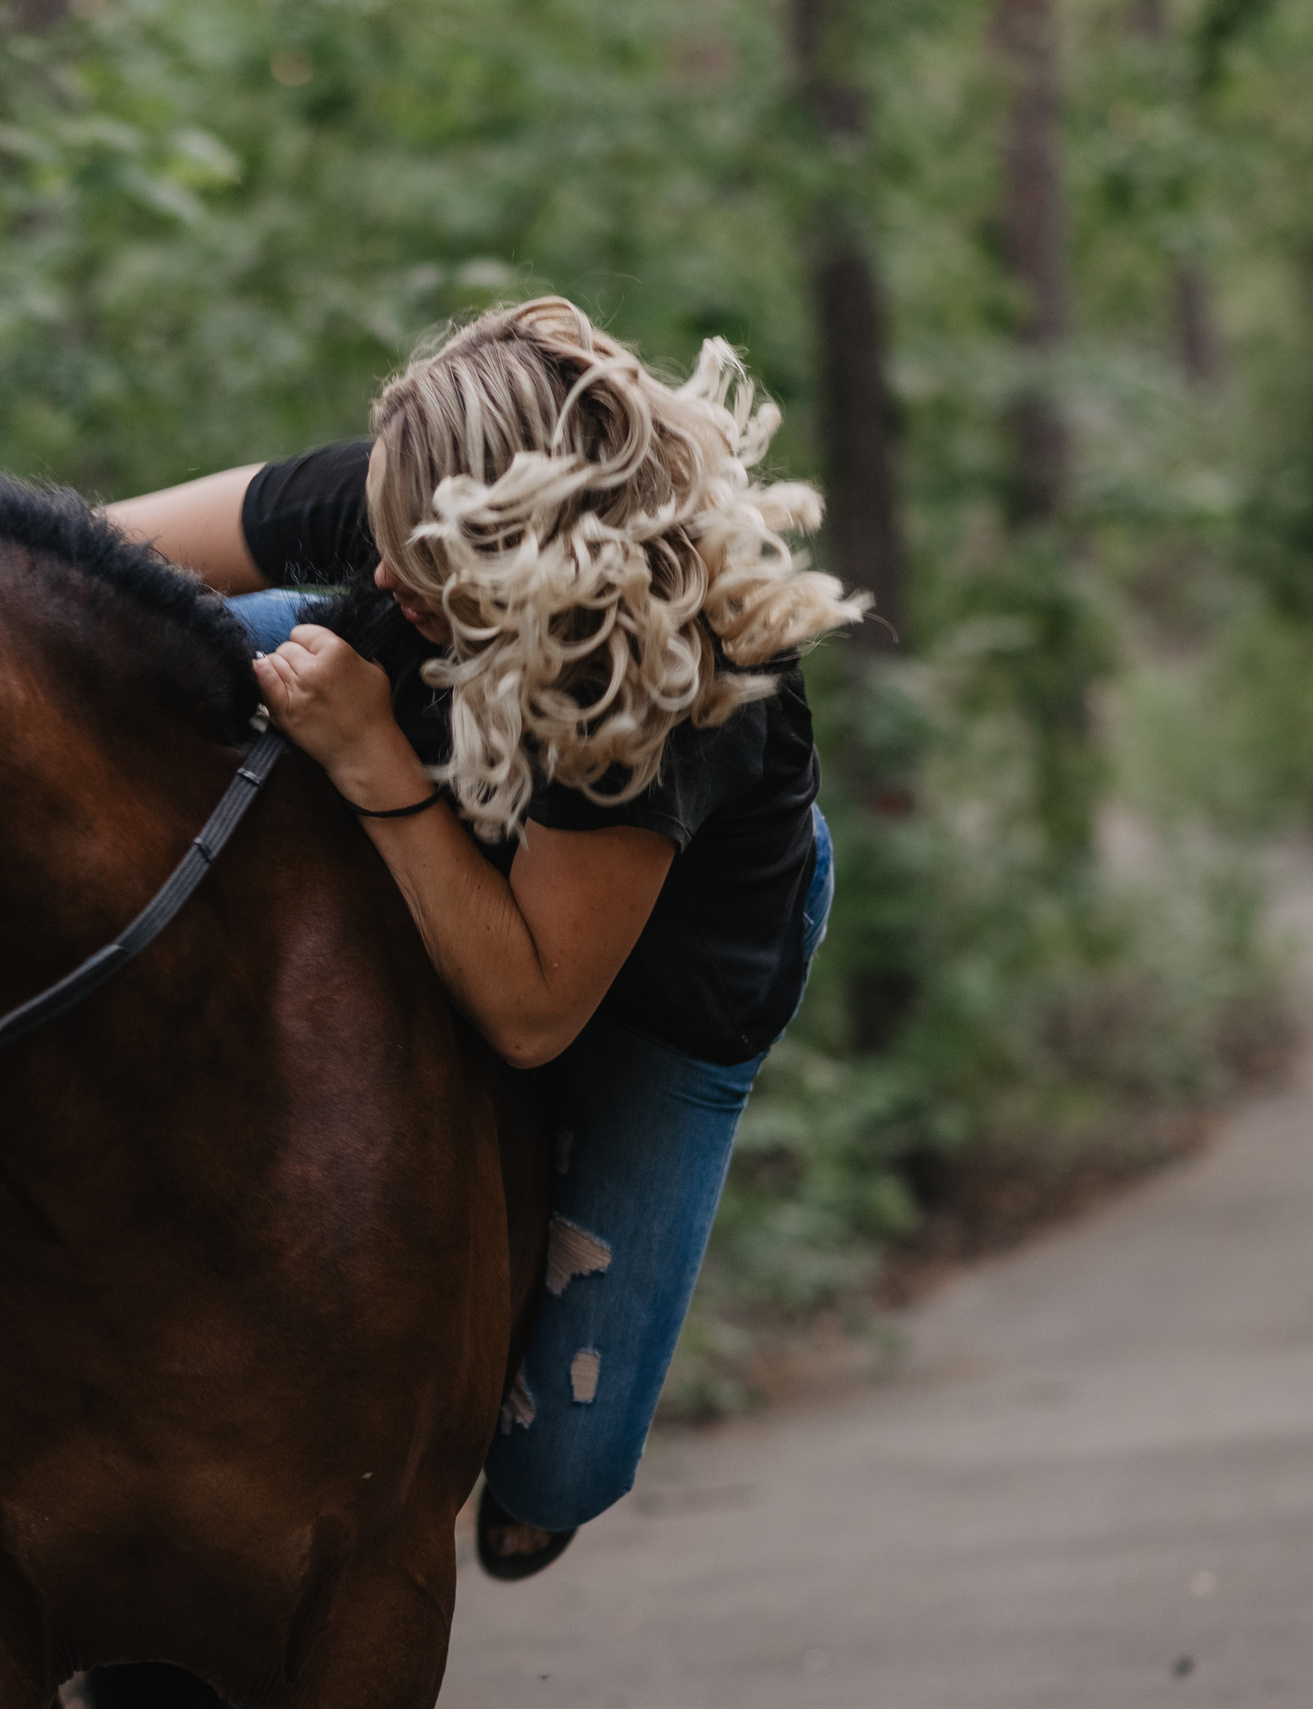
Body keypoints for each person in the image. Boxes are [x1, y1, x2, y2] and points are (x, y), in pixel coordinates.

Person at [104, 297, 867, 1579]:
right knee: (135, 637)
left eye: (418, 568)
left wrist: (368, 755)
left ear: (526, 563)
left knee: (547, 1479)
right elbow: (83, 556)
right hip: (462, 737)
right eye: (384, 538)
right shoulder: (418, 502)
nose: (384, 571)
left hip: (659, 981)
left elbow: (530, 1010)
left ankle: (553, 1470)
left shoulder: (677, 671)